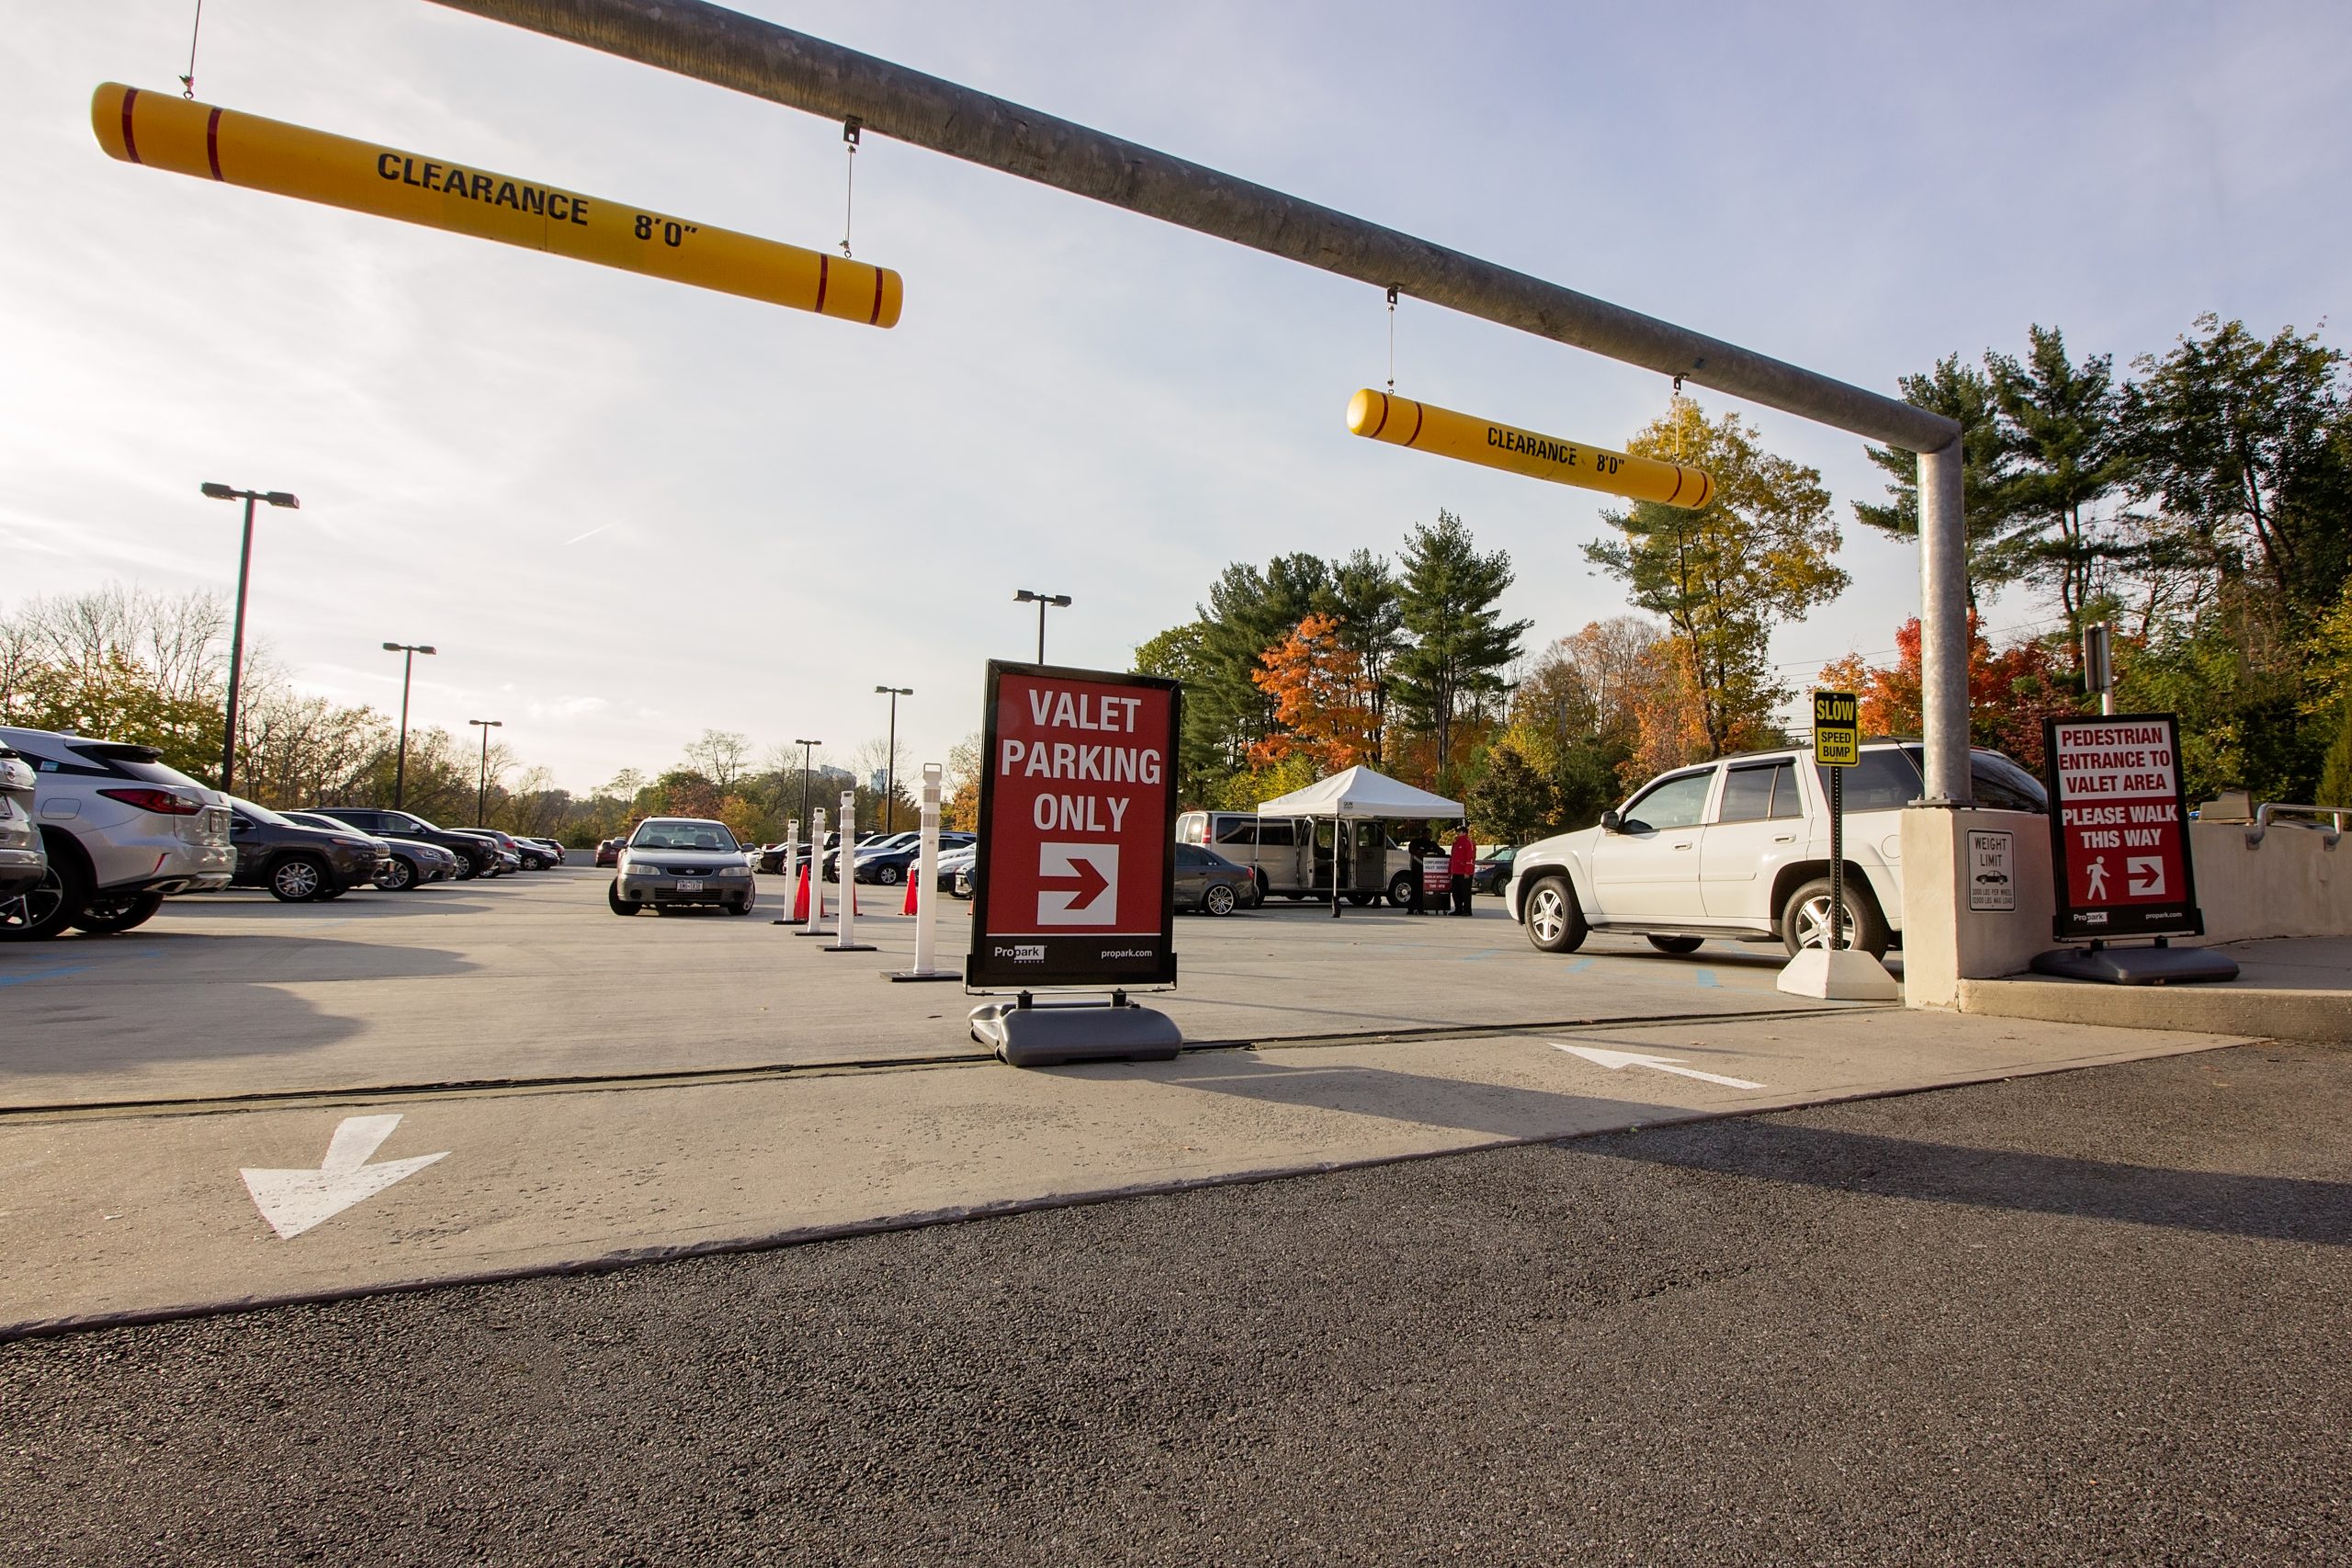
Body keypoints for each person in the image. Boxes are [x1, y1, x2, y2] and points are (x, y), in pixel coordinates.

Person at [1448, 827, 1476, 916]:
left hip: (1464, 873)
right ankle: (1458, 909)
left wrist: (1468, 871)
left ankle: (1467, 910)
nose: (1457, 833)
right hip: (1455, 872)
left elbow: (1470, 858)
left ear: (1464, 832)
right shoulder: (1455, 843)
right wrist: (1450, 871)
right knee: (1456, 892)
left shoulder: (1468, 843)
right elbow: (1452, 858)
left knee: (1466, 892)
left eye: (1459, 832)